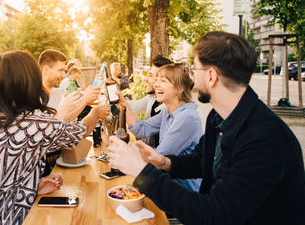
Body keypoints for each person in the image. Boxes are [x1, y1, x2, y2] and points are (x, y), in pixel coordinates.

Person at [108, 31, 305, 224]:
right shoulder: (218, 116)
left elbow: (215, 215)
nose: (192, 76)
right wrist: (164, 162)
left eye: (195, 69)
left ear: (211, 76)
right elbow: (201, 160)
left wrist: (142, 172)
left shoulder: (264, 139)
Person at [0, 50, 109, 224]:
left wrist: (31, 188)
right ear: (29, 80)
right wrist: (95, 112)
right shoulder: (32, 122)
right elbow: (81, 131)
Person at [117, 63, 202, 191]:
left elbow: (158, 156)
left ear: (180, 89)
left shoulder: (186, 118)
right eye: (156, 80)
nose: (156, 84)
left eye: (163, 81)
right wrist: (124, 104)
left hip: (183, 193)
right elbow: (142, 129)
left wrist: (127, 156)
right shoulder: (167, 112)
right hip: (166, 183)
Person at [38, 49, 101, 121]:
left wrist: (91, 106)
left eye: (64, 71)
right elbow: (52, 127)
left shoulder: (58, 92)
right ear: (46, 70)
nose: (64, 75)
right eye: (60, 70)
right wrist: (85, 100)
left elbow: (66, 120)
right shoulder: (34, 98)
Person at [128, 55, 172, 147]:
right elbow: (132, 108)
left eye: (151, 76)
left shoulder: (169, 109)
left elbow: (165, 153)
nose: (145, 79)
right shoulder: (152, 98)